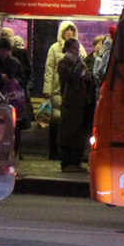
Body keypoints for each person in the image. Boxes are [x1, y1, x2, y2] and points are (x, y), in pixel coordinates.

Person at [43, 21, 86, 161]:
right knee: (56, 121)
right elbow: (49, 70)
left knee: (69, 123)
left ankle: (67, 153)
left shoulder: (81, 49)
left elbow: (84, 67)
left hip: (74, 93)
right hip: (57, 88)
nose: (69, 33)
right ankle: (53, 151)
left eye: (71, 30)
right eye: (66, 30)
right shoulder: (54, 48)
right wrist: (47, 90)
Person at [55, 37, 93, 172]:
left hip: (81, 103)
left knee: (79, 133)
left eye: (78, 48)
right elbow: (71, 77)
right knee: (69, 132)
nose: (77, 51)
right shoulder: (63, 63)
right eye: (74, 48)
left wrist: (87, 78)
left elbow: (85, 78)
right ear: (68, 49)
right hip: (70, 103)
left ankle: (76, 161)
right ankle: (67, 162)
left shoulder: (80, 64)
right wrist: (80, 67)